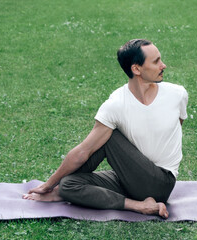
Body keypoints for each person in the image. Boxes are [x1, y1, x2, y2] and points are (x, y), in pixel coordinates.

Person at [23, 39, 188, 219]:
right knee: (69, 184)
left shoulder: (177, 94)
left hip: (161, 183)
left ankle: (58, 190)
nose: (163, 65)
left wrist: (48, 184)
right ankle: (139, 206)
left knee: (108, 136)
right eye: (156, 61)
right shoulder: (116, 104)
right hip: (129, 179)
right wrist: (52, 184)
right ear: (136, 69)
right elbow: (82, 152)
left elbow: (175, 130)